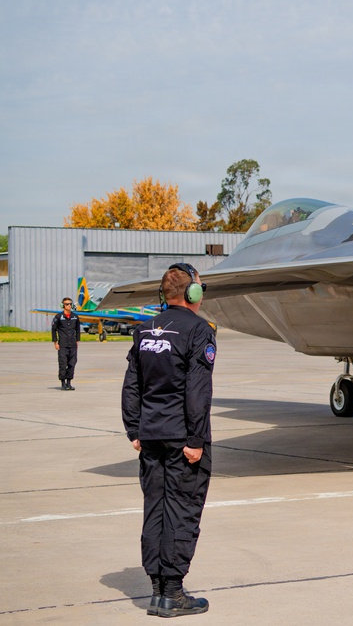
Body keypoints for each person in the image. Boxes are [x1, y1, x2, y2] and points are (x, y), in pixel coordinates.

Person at [121, 263, 216, 618]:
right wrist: (195, 439)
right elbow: (197, 389)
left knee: (156, 508)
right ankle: (173, 593)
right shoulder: (198, 330)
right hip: (182, 438)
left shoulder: (144, 330)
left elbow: (132, 385)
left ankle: (158, 590)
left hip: (151, 436)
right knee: (182, 508)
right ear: (192, 293)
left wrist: (134, 430)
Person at [52, 297, 81, 390]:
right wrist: (55, 342)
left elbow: (78, 330)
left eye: (70, 304)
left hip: (72, 344)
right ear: (63, 305)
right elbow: (53, 329)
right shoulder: (58, 317)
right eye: (67, 304)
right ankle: (63, 382)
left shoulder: (75, 317)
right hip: (63, 345)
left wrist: (77, 341)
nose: (69, 306)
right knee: (63, 363)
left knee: (72, 363)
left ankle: (69, 382)